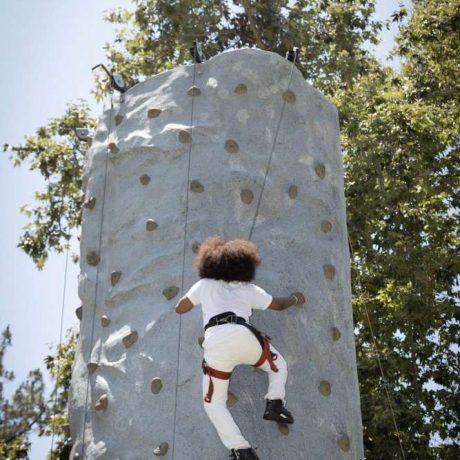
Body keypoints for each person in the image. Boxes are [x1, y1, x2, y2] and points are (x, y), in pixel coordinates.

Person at [175, 236, 305, 460]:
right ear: (244, 265)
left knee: (214, 404)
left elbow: (180, 308)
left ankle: (242, 450)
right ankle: (274, 403)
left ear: (211, 263)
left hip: (216, 343)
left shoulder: (205, 284)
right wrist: (295, 298)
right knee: (277, 366)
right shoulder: (248, 288)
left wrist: (196, 295)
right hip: (244, 336)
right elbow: (279, 304)